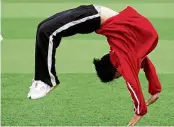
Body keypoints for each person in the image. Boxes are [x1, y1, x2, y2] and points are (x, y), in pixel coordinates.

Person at [27, 4, 162, 125]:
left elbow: (144, 64)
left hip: (92, 12)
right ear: (114, 70)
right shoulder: (123, 56)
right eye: (118, 76)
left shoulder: (125, 50)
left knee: (44, 29)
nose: (122, 74)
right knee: (44, 30)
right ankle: (47, 81)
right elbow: (132, 80)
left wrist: (154, 90)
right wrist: (141, 109)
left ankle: (44, 80)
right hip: (93, 16)